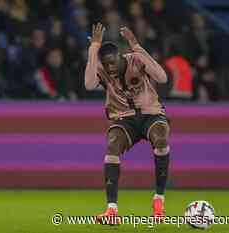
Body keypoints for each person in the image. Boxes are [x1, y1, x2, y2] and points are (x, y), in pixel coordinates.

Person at [85, 23, 171, 223]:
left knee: (161, 138)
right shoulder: (103, 69)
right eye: (105, 64)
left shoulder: (135, 59)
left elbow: (162, 77)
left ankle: (159, 202)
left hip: (151, 113)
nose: (110, 68)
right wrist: (93, 48)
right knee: (112, 146)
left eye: (112, 62)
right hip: (123, 117)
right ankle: (112, 211)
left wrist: (136, 46)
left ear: (121, 56)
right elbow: (89, 85)